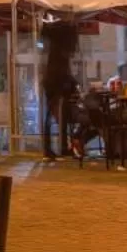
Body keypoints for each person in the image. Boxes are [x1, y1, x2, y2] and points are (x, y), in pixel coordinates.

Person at [39, 21, 80, 160]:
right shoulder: (60, 52)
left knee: (54, 115)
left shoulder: (54, 48)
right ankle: (56, 147)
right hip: (56, 83)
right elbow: (63, 70)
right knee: (55, 115)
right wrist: (71, 82)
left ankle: (54, 147)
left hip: (54, 82)